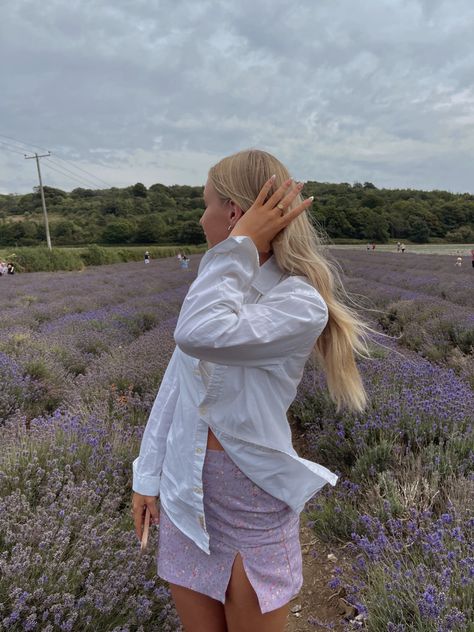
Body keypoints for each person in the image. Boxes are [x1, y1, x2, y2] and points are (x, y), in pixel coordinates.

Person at [131, 149, 371, 632]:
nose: (201, 219)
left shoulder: (298, 302)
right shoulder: (218, 289)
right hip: (183, 486)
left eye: (207, 205)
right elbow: (175, 387)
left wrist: (235, 248)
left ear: (236, 214)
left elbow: (197, 333)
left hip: (248, 495)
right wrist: (147, 474)